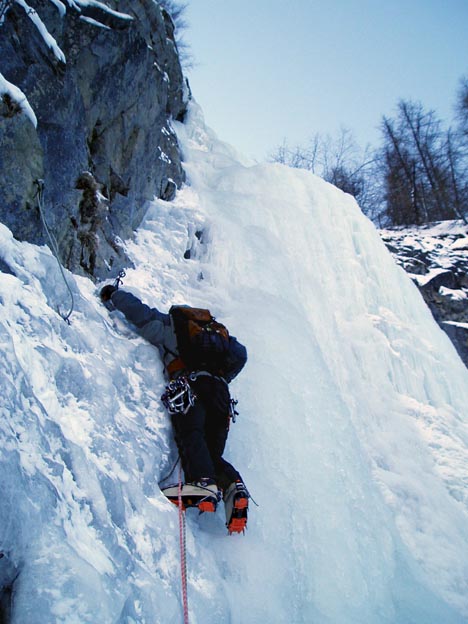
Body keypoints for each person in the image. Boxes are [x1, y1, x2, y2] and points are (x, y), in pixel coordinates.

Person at [100, 284, 250, 533]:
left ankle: (202, 484)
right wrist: (223, 376)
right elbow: (241, 354)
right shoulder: (219, 337)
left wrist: (113, 295)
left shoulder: (170, 327)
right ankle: (234, 487)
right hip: (221, 394)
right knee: (211, 454)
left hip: (191, 387)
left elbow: (139, 313)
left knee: (192, 435)